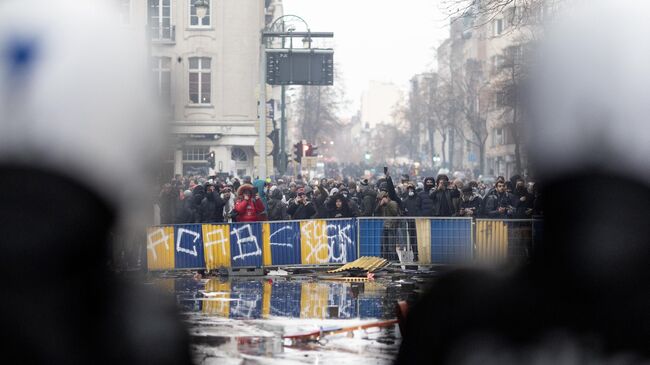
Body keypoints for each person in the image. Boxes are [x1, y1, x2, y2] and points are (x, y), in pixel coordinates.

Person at [374, 191, 400, 261]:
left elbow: (395, 212)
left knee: (391, 247)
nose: (380, 201)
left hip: (391, 227)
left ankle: (395, 263)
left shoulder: (392, 203)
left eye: (381, 199)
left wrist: (387, 204)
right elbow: (376, 212)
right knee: (385, 247)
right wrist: (380, 205)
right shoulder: (383, 205)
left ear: (385, 197)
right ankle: (390, 262)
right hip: (386, 226)